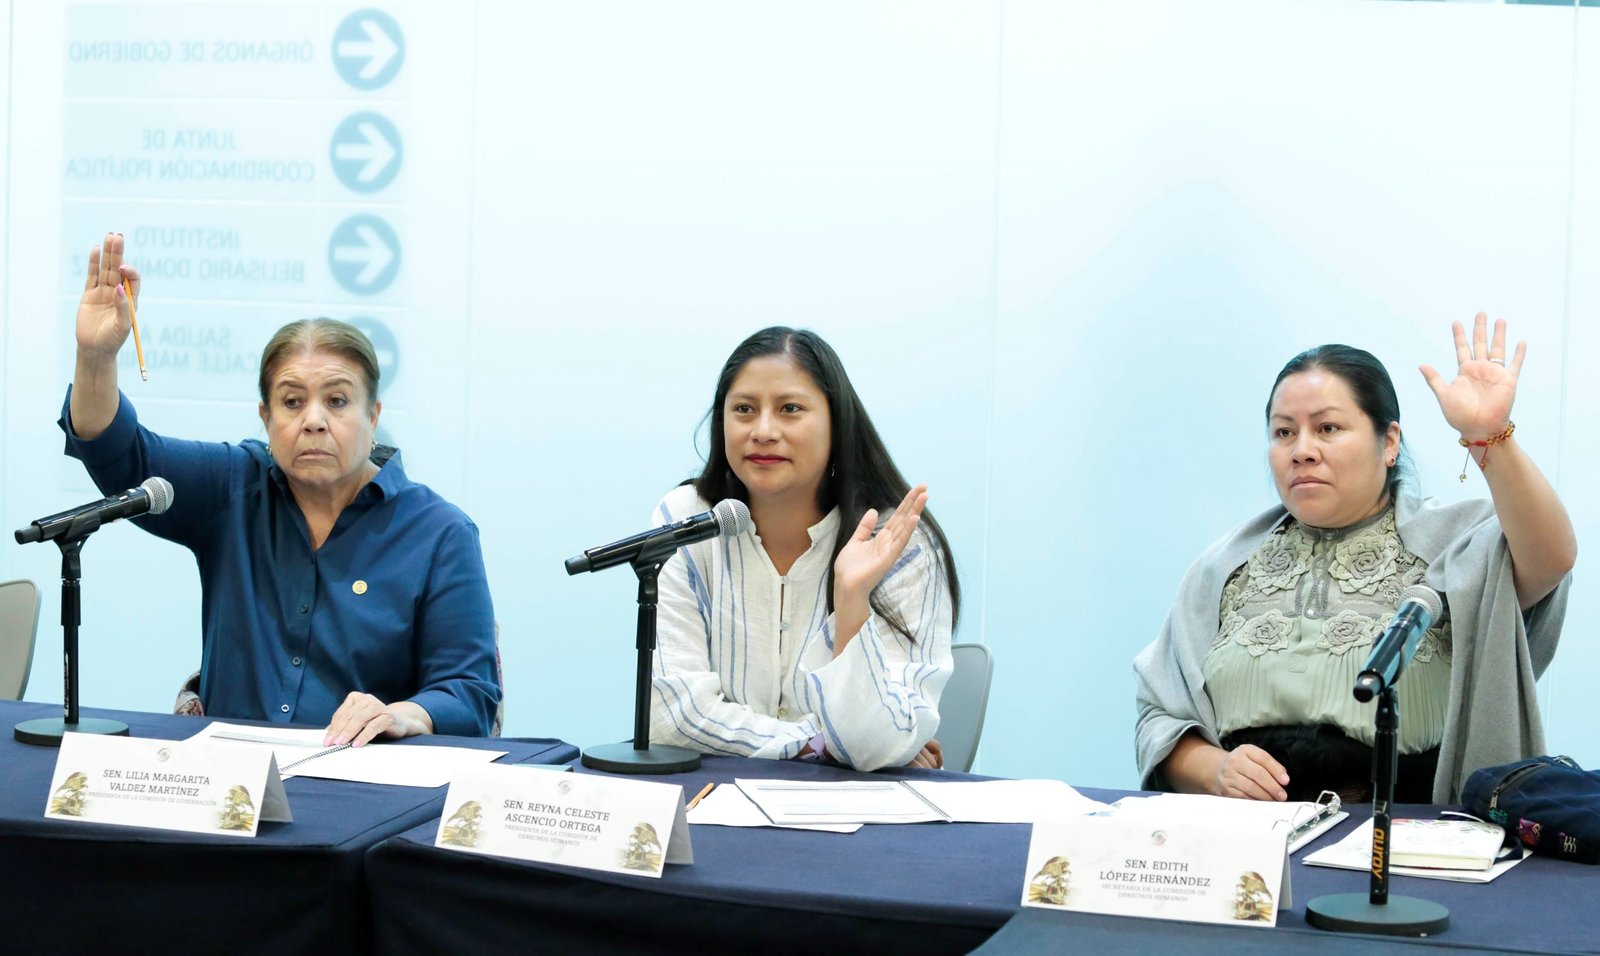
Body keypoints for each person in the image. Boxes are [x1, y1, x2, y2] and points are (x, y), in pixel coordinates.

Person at [61, 232, 501, 745]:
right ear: (266, 419)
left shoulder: (440, 533)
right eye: (292, 403)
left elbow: (470, 693)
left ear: (373, 416)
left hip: (365, 780)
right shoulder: (233, 487)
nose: (313, 420)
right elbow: (119, 456)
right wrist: (96, 357)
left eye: (337, 401)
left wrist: (403, 714)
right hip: (233, 778)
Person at [1135, 315, 1574, 803]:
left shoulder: (1456, 546)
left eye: (1327, 428)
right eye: (1283, 433)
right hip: (1251, 835)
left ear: (1389, 443)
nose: (1302, 450)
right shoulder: (1224, 567)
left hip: (1410, 829)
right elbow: (1159, 716)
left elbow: (1551, 558)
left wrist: (1490, 437)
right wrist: (1213, 769)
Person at [649, 327, 961, 772]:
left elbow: (875, 745)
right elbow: (672, 716)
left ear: (837, 424)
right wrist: (816, 744)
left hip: (859, 809)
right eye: (744, 409)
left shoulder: (900, 543)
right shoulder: (685, 521)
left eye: (790, 409)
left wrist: (851, 602)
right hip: (716, 800)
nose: (763, 431)